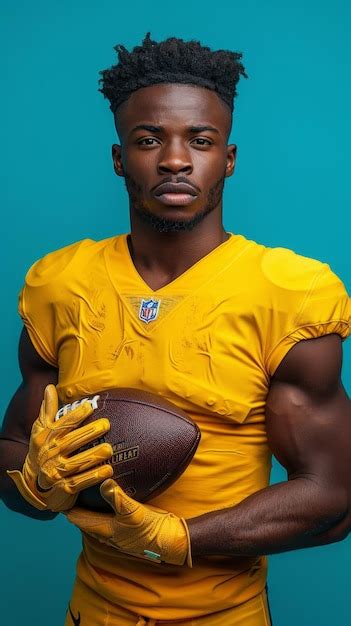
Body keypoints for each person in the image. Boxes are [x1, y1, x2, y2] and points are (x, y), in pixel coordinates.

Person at [1, 32, 350, 626]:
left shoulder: (289, 294)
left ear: (229, 158)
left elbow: (333, 496)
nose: (175, 160)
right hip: (92, 611)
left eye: (201, 140)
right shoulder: (61, 284)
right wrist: (35, 482)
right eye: (148, 140)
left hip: (226, 616)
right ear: (119, 159)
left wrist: (178, 537)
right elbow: (10, 447)